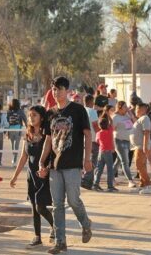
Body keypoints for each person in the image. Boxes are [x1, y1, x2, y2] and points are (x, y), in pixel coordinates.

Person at [38, 76, 92, 254]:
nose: (56, 92)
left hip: (73, 164)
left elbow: (88, 134)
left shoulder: (78, 110)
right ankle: (60, 242)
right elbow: (48, 139)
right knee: (57, 204)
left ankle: (85, 223)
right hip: (54, 165)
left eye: (59, 89)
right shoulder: (50, 113)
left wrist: (87, 159)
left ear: (67, 90)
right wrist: (42, 160)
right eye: (53, 89)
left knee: (73, 200)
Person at [9, 105, 54, 248]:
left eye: (34, 115)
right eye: (29, 115)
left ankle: (55, 227)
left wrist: (46, 169)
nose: (31, 118)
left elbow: (52, 156)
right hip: (31, 175)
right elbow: (23, 157)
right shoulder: (27, 135)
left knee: (40, 206)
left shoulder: (47, 135)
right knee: (33, 207)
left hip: (43, 175)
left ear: (41, 117)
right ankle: (37, 236)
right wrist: (15, 176)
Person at [130, 103, 151, 194]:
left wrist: (144, 146)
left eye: (137, 109)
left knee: (139, 165)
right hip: (138, 146)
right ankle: (142, 185)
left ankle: (148, 185)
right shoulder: (140, 119)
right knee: (141, 166)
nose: (136, 111)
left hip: (141, 146)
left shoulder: (145, 118)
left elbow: (146, 133)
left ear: (143, 109)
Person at [112, 101, 135, 188]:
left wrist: (130, 114)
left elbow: (135, 123)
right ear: (120, 108)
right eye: (125, 107)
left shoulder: (126, 115)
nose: (126, 109)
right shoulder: (115, 117)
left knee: (118, 161)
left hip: (127, 141)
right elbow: (112, 130)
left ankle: (110, 178)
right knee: (125, 161)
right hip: (119, 141)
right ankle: (130, 180)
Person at [92, 117, 118, 192]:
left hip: (101, 151)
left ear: (99, 126)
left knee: (99, 169)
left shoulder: (98, 133)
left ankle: (96, 184)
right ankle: (110, 186)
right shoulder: (109, 131)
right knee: (110, 169)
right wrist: (107, 114)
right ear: (107, 125)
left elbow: (97, 141)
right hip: (108, 152)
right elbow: (112, 122)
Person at [80, 94, 99, 190]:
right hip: (92, 139)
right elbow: (95, 126)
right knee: (92, 161)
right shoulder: (92, 112)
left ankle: (83, 178)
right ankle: (87, 181)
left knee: (84, 159)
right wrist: (100, 137)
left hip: (82, 139)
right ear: (91, 102)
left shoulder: (81, 110)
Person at [7, 98, 27, 167]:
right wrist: (28, 128)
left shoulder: (9, 111)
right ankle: (14, 160)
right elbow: (25, 119)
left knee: (13, 145)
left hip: (10, 129)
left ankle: (14, 158)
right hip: (18, 129)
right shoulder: (20, 111)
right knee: (17, 145)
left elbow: (7, 121)